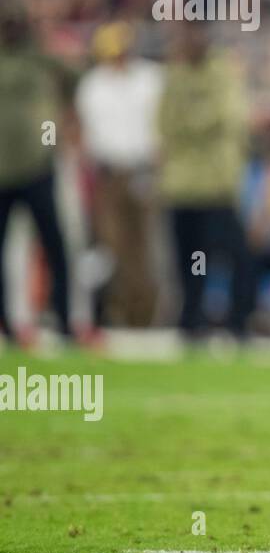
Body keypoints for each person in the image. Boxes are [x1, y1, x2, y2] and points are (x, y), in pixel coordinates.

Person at [157, 17, 254, 343]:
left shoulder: (223, 71)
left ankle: (239, 319)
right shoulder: (176, 74)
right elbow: (165, 122)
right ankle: (192, 319)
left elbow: (226, 117)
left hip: (216, 183)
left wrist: (189, 122)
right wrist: (196, 122)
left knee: (232, 255)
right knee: (190, 259)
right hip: (183, 184)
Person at [75, 21, 163, 328]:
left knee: (145, 247)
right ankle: (114, 312)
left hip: (144, 172)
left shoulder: (151, 79)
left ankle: (146, 317)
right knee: (112, 247)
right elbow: (86, 134)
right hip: (108, 174)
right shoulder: (93, 85)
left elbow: (160, 128)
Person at [0, 0, 77, 344]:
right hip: (2, 169)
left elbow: (77, 75)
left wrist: (45, 40)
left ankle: (64, 318)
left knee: (55, 245)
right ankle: (6, 324)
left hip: (38, 165)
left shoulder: (41, 58)